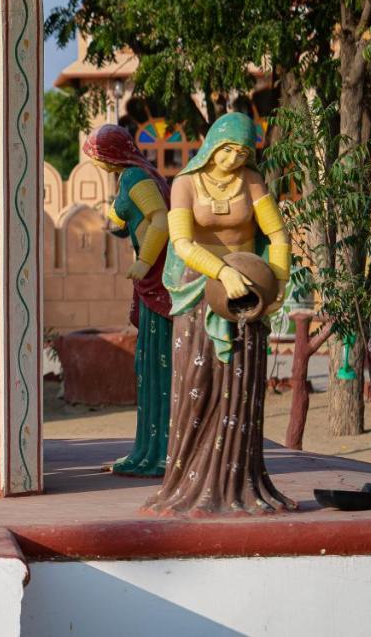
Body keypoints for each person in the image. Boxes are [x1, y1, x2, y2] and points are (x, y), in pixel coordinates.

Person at [144, 112, 294, 515]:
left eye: (243, 152)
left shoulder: (252, 181)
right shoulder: (185, 184)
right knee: (199, 384)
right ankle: (188, 486)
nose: (234, 159)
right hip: (197, 292)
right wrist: (223, 272)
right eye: (228, 150)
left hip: (248, 297)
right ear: (212, 147)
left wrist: (277, 284)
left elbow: (277, 235)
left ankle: (238, 485)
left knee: (241, 388)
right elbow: (181, 242)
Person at [84, 124, 172, 477]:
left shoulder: (136, 178)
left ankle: (160, 452)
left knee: (157, 368)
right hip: (148, 283)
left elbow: (161, 220)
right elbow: (122, 221)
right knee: (148, 366)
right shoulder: (133, 177)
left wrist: (144, 259)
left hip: (156, 280)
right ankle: (146, 449)